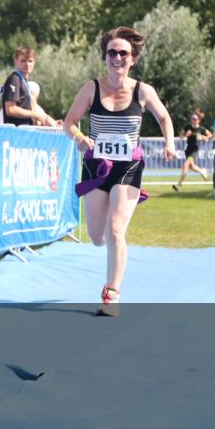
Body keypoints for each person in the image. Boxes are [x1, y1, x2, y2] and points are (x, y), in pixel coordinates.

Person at [62, 27, 175, 318]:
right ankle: (111, 272)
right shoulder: (92, 89)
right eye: (112, 52)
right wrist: (79, 137)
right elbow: (69, 122)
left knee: (115, 229)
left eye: (123, 53)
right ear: (105, 57)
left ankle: (111, 295)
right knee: (98, 237)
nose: (117, 57)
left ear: (132, 58)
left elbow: (164, 117)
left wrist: (170, 144)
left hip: (128, 167)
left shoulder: (142, 91)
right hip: (96, 166)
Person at [3, 47, 57, 127]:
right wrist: (35, 115)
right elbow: (11, 109)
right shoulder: (14, 79)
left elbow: (33, 108)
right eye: (23, 61)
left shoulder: (23, 81)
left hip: (26, 131)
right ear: (16, 61)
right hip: (16, 132)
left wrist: (50, 121)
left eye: (30, 61)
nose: (27, 64)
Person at [173, 113, 211, 191]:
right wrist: (185, 135)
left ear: (199, 120)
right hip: (187, 149)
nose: (193, 120)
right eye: (192, 119)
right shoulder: (188, 127)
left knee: (185, 165)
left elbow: (210, 135)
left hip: (194, 149)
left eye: (195, 119)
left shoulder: (201, 129)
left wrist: (204, 137)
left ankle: (178, 184)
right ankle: (202, 171)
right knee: (191, 167)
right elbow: (180, 136)